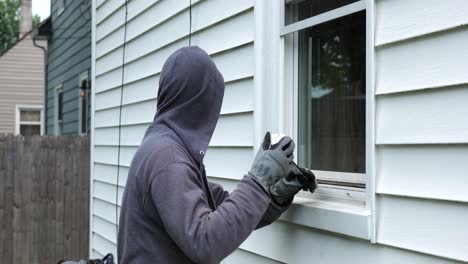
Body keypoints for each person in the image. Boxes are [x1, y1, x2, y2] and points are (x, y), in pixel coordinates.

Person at [118, 46, 314, 264]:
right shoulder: (168, 158)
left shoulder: (164, 148)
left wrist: (274, 194)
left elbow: (224, 213)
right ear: (199, 103)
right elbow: (205, 241)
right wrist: (259, 179)